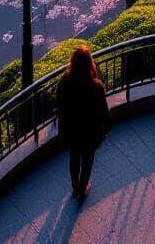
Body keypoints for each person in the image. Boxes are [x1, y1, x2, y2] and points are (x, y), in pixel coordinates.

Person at [55, 45, 110, 203]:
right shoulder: (96, 86)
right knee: (87, 162)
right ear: (89, 64)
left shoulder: (65, 82)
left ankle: (75, 187)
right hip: (90, 133)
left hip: (71, 131)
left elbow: (58, 103)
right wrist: (105, 128)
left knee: (74, 159)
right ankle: (82, 189)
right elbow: (103, 111)